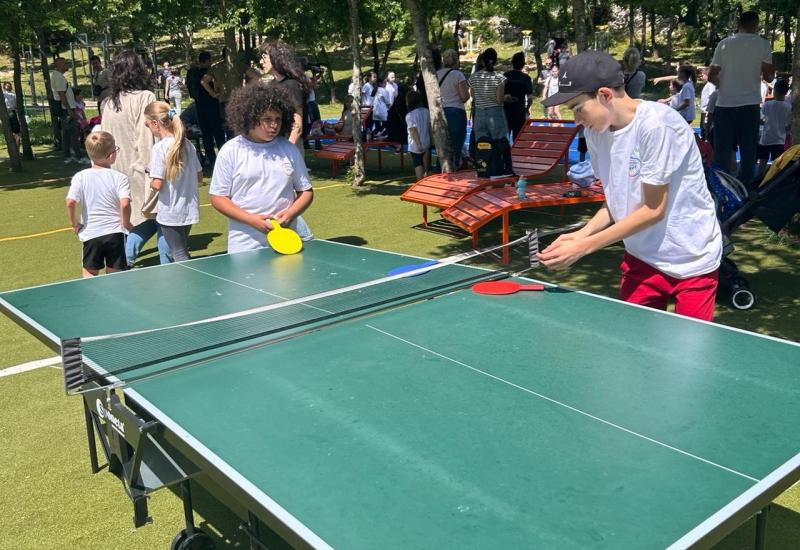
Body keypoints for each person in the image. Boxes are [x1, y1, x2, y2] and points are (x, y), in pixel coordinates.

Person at [538, 50, 722, 321]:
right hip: (641, 257)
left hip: (692, 258)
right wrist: (581, 234)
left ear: (605, 95)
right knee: (632, 350)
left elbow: (652, 210)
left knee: (689, 357)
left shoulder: (658, 125)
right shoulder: (595, 133)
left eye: (578, 108)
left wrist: (585, 246)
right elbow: (616, 199)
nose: (576, 119)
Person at [210, 84, 313, 254]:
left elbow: (306, 192)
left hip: (286, 243)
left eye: (278, 119)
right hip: (244, 246)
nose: (274, 125)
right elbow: (218, 197)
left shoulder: (289, 149)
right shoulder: (230, 150)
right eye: (267, 119)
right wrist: (251, 220)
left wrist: (290, 214)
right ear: (250, 118)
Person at [101, 50, 171, 267]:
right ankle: (162, 262)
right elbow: (145, 137)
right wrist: (153, 168)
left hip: (117, 169)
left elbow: (105, 137)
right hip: (141, 168)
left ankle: (125, 257)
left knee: (138, 217)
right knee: (161, 216)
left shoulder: (109, 102)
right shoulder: (145, 97)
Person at [708, 11, 774, 181]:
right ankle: (746, 189)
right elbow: (769, 77)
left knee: (722, 152)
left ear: (739, 24)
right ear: (756, 25)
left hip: (725, 103)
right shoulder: (763, 45)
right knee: (748, 152)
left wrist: (723, 85)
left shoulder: (724, 44)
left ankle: (721, 189)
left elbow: (711, 75)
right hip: (749, 104)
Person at [65, 131, 133, 278]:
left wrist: (74, 223)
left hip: (91, 234)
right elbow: (125, 203)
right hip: (115, 234)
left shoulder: (80, 177)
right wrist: (126, 223)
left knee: (90, 274)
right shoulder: (120, 178)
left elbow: (70, 202)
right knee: (115, 276)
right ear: (111, 155)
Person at [143, 101, 202, 262]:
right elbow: (199, 177)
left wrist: (149, 176)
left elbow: (157, 184)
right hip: (188, 209)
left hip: (170, 210)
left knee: (178, 253)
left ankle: (186, 285)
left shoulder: (160, 148)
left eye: (147, 125)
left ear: (155, 123)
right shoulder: (188, 145)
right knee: (182, 250)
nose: (148, 128)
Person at [259, 40, 308, 149]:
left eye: (264, 58)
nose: (261, 62)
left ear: (275, 59)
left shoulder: (291, 85)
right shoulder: (271, 84)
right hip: (276, 143)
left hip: (289, 144)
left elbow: (297, 126)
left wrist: (287, 150)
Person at [437, 49, 470, 169]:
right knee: (456, 143)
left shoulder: (437, 74)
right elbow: (465, 97)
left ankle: (441, 167)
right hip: (456, 110)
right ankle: (455, 166)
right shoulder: (458, 75)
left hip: (442, 110)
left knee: (444, 143)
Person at [468, 48, 508, 142]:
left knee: (482, 144)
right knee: (499, 143)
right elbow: (499, 100)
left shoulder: (474, 77)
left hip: (479, 114)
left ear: (482, 61)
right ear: (495, 61)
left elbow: (473, 94)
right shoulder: (499, 78)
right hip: (495, 115)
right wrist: (506, 97)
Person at [757, 79, 791, 175]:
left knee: (762, 162)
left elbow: (761, 120)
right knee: (777, 164)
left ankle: (759, 181)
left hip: (766, 138)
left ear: (775, 90)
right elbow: (788, 126)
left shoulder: (767, 105)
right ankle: (774, 180)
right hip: (779, 139)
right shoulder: (788, 107)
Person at [50, 57, 79, 164]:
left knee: (66, 133)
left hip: (66, 108)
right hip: (66, 109)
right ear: (59, 64)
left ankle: (68, 155)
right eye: (65, 63)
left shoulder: (58, 76)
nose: (67, 65)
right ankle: (77, 155)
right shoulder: (58, 77)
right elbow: (61, 94)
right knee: (73, 132)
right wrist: (68, 109)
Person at [503, 52, 533, 142]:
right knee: (518, 139)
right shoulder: (526, 78)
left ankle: (505, 155)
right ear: (523, 64)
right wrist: (527, 108)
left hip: (506, 110)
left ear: (512, 63)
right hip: (519, 111)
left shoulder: (505, 75)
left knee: (504, 138)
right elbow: (530, 97)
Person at [405, 90, 431, 181]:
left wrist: (418, 144)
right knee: (426, 163)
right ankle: (427, 176)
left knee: (417, 163)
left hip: (415, 144)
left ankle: (420, 182)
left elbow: (413, 130)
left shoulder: (410, 115)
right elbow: (429, 127)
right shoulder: (426, 111)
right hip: (426, 140)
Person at [698, 67, 716, 142]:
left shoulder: (710, 84)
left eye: (702, 75)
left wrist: (708, 110)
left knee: (706, 130)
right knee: (703, 129)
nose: (701, 77)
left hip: (707, 111)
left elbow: (711, 96)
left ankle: (707, 143)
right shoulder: (707, 85)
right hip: (704, 111)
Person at [3, 82, 21, 148]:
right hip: (7, 112)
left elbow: (16, 105)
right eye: (6, 85)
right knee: (13, 131)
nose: (8, 87)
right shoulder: (3, 94)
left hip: (12, 112)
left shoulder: (13, 95)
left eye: (9, 85)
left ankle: (17, 148)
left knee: (16, 131)